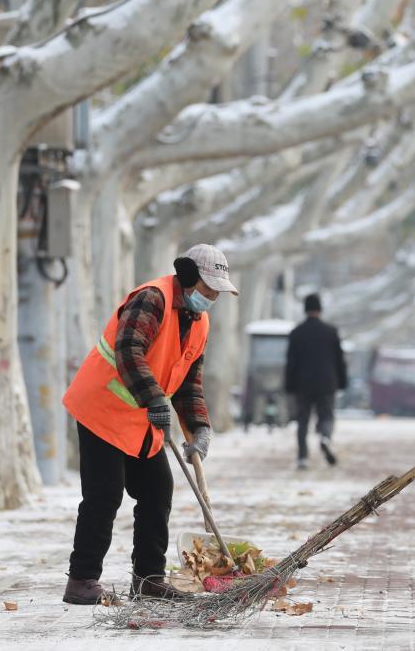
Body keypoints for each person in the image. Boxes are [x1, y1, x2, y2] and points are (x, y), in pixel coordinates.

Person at [60, 244, 238, 604]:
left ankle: (148, 579)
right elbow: (129, 349)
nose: (211, 299)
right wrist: (156, 399)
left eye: (217, 294)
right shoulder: (152, 298)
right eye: (207, 290)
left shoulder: (199, 322)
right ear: (188, 278)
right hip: (104, 408)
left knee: (158, 490)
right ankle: (81, 580)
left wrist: (199, 427)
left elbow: (189, 383)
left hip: (142, 418)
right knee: (104, 494)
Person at [284, 293, 347, 470]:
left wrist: (289, 385)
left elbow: (291, 362)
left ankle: (303, 457)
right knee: (327, 415)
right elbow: (339, 360)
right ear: (320, 309)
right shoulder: (331, 332)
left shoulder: (296, 333)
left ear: (305, 309)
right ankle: (325, 437)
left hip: (302, 384)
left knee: (302, 420)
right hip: (327, 383)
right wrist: (342, 382)